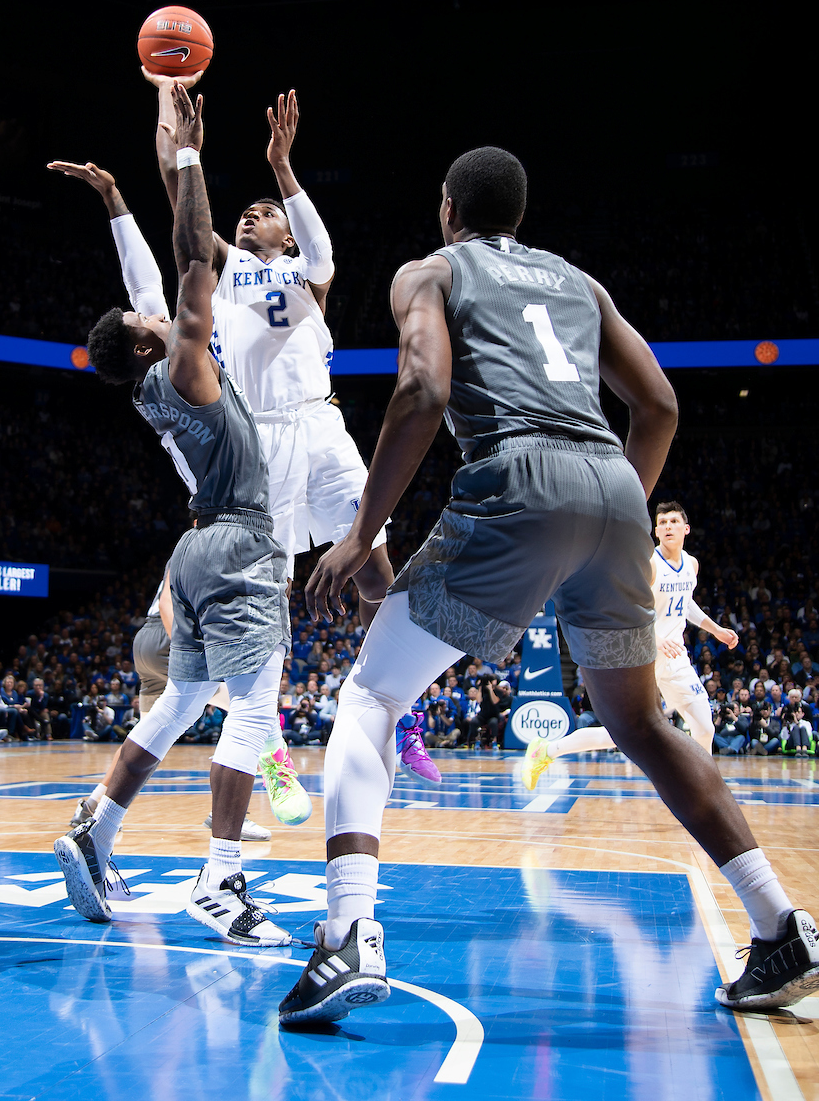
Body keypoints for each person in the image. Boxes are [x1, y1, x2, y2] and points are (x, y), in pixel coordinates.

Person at [277, 146, 819, 1023]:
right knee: (641, 721)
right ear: (517, 215)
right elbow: (662, 407)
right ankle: (779, 924)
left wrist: (360, 532)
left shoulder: (430, 270)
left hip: (517, 479)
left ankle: (346, 938)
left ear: (448, 207)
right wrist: (608, 515)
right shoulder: (579, 283)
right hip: (613, 484)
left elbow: (420, 389)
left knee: (371, 696)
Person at [53, 84, 295, 947]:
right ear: (153, 339)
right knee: (257, 706)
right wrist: (189, 155)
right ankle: (220, 883)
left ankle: (98, 826)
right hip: (234, 541)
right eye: (147, 317)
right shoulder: (186, 364)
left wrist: (122, 198)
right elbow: (192, 257)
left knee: (186, 696)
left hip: (194, 549)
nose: (153, 307)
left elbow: (150, 282)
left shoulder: (154, 379)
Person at [145, 73, 437, 783]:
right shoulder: (227, 264)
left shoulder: (311, 272)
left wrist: (282, 167)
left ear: (285, 228)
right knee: (263, 592)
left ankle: (398, 715)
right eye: (245, 211)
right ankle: (267, 740)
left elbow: (324, 248)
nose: (250, 216)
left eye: (263, 211)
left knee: (376, 572)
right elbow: (177, 193)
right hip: (257, 440)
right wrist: (168, 106)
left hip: (320, 426)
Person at [524, 501, 739, 771]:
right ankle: (546, 751)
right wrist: (655, 638)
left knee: (705, 727)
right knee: (624, 733)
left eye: (673, 521)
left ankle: (705, 787)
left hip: (674, 659)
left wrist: (715, 629)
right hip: (642, 655)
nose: (667, 526)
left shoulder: (691, 565)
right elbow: (625, 606)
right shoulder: (650, 565)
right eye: (662, 523)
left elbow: (684, 603)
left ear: (686, 529)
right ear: (656, 532)